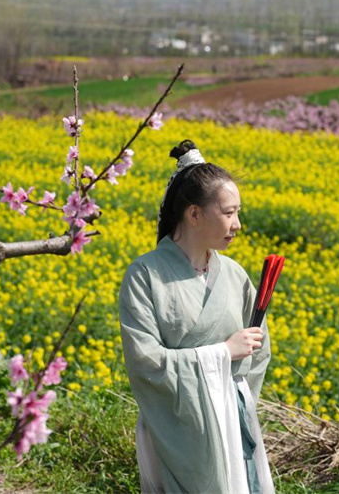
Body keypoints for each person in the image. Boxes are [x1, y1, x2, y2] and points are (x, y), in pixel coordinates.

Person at [119, 140, 274, 493]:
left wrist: (232, 402)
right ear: (194, 214)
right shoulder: (145, 276)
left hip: (231, 424)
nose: (238, 224)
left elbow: (258, 354)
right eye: (230, 212)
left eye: (238, 212)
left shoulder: (235, 276)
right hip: (172, 428)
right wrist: (221, 354)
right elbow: (144, 361)